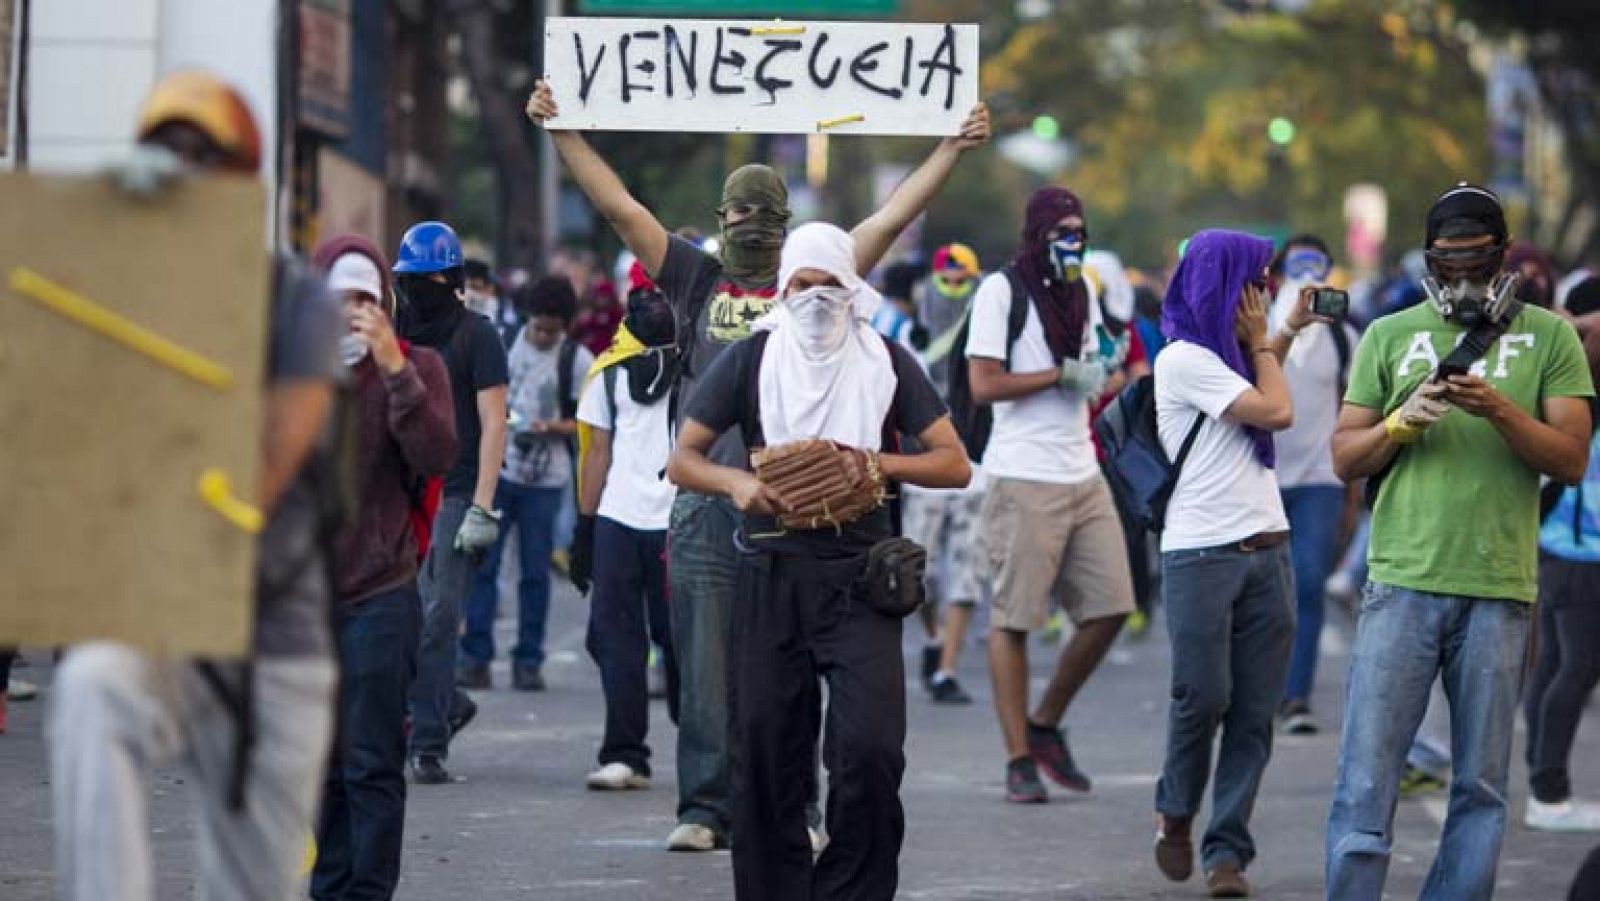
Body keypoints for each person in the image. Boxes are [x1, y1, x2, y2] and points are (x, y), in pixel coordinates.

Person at [527, 77, 989, 852]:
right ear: (718, 219)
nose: (746, 223)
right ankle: (707, 805)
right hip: (709, 502)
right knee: (703, 665)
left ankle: (793, 803)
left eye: (760, 212)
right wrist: (561, 133)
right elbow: (621, 209)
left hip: (802, 511)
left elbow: (893, 214)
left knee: (791, 666)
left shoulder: (813, 276)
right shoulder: (693, 275)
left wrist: (950, 147)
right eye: (735, 211)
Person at [48, 70, 342, 901]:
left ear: (242, 181)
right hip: (158, 616)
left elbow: (256, 475)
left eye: (202, 156)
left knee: (251, 886)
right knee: (90, 686)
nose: (182, 171)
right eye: (165, 153)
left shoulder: (297, 302)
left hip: (269, 634)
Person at [667, 222, 970, 900]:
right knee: (768, 748)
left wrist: (874, 463)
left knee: (871, 748)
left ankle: (851, 889)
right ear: (782, 287)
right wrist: (741, 483)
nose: (813, 299)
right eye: (800, 285)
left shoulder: (885, 360)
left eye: (828, 284)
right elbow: (682, 458)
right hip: (771, 570)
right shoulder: (750, 359)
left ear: (851, 286)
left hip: (862, 574)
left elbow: (954, 462)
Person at [1326, 184, 1593, 900]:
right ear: (1430, 260)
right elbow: (1344, 457)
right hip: (1402, 580)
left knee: (1480, 783)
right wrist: (1398, 423)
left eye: (1478, 260)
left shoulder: (1551, 336)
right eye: (1450, 262)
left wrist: (1501, 409)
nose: (1465, 277)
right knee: (1366, 775)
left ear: (1503, 255)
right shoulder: (1388, 333)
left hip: (1500, 587)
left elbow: (1569, 458)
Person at [967, 186, 1134, 804]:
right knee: (1015, 620)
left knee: (1113, 605)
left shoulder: (1082, 291)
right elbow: (982, 384)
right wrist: (1058, 374)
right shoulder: (1000, 292)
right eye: (1060, 230)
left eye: (1079, 229)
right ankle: (1018, 758)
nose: (1072, 239)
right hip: (1022, 472)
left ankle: (1044, 723)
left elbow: (1092, 371)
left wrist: (1104, 373)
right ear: (1036, 233)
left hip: (1080, 468)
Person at [1150, 230, 1304, 898]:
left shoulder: (1232, 355)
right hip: (1201, 553)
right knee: (1202, 696)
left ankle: (1227, 853)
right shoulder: (1183, 358)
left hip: (1269, 546)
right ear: (1225, 284)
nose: (1263, 291)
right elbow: (1276, 408)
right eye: (1255, 278)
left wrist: (1279, 334)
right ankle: (1176, 809)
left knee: (1253, 712)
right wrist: (1266, 341)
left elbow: (1258, 389)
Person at [310, 235, 457, 899]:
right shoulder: (291, 369)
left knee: (370, 762)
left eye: (365, 300)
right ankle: (329, 886)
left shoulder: (419, 364)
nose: (353, 314)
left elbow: (434, 453)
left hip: (380, 592)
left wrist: (394, 368)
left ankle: (368, 891)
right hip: (304, 603)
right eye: (339, 300)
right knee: (321, 766)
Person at [394, 220, 510, 785]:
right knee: (398, 619)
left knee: (439, 620)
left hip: (457, 492)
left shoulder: (476, 336)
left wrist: (483, 505)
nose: (421, 287)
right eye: (411, 278)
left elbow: (494, 422)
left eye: (431, 276)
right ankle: (441, 705)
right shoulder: (395, 334)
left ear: (453, 277)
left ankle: (428, 742)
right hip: (398, 492)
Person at [574, 262, 682, 790]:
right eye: (643, 294)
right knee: (617, 641)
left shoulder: (697, 368)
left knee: (682, 641)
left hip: (678, 521)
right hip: (618, 519)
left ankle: (701, 745)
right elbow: (596, 453)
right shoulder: (608, 369)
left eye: (662, 294)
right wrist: (585, 527)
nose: (653, 304)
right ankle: (625, 754)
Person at [458, 276, 592, 692]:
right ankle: (475, 656)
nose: (544, 336)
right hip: (499, 470)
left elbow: (588, 423)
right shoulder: (504, 342)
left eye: (553, 330)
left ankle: (528, 659)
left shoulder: (577, 360)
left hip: (545, 480)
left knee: (535, 573)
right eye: (539, 328)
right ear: (527, 319)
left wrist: (554, 426)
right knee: (485, 567)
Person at [1265, 234, 1361, 736]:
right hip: (1261, 478)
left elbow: (1356, 407)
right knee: (1261, 590)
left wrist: (1352, 490)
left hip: (1320, 480)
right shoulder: (1259, 325)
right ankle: (1256, 688)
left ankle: (1296, 695)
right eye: (1298, 265)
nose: (1308, 275)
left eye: (1316, 265)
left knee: (1307, 582)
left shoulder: (1346, 336)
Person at [1523, 282, 1600, 832]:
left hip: (1560, 544)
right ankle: (1548, 792)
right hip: (1578, 550)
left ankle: (1542, 783)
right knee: (1575, 667)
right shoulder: (1571, 379)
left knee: (1555, 664)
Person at [904, 243, 985, 703]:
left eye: (962, 278)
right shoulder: (906, 328)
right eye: (946, 278)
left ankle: (947, 668)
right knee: (919, 572)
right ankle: (934, 640)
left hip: (976, 460)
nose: (954, 285)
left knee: (966, 569)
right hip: (926, 462)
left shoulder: (990, 316)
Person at [463, 257, 521, 348]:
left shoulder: (507, 322)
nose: (469, 294)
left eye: (474, 288)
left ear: (489, 289)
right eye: (463, 288)